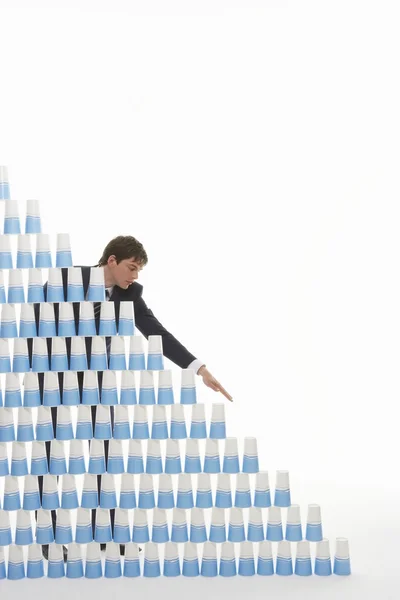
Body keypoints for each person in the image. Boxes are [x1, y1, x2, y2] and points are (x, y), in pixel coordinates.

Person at [30, 235, 232, 561]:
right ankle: (48, 537)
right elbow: (30, 321)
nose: (135, 276)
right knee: (50, 456)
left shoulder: (129, 295)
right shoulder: (66, 279)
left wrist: (199, 368)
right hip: (54, 376)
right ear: (112, 260)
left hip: (97, 382)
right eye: (132, 267)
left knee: (105, 458)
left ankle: (111, 534)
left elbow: (157, 332)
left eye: (138, 271)